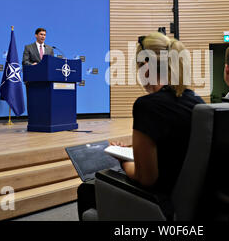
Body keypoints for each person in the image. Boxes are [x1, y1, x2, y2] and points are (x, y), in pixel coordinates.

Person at [77, 32, 205, 220]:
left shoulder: (147, 106)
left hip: (160, 204)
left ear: (146, 66)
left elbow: (146, 178)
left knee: (88, 189)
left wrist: (123, 160)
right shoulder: (195, 100)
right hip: (193, 205)